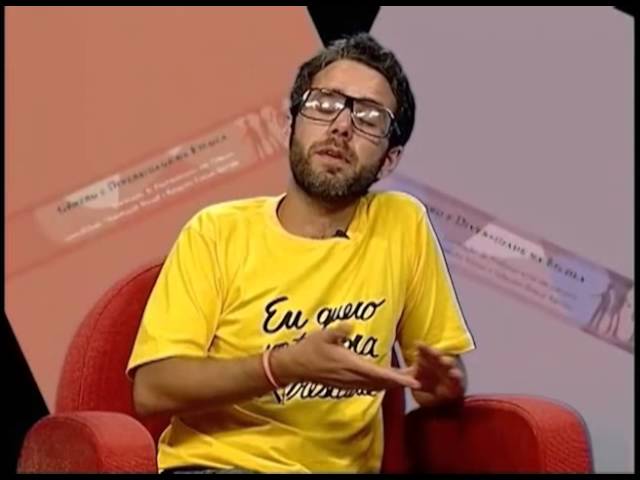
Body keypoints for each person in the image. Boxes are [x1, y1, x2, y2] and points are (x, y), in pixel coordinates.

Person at [127, 32, 476, 474]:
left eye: (369, 117)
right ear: (289, 126)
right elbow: (153, 389)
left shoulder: (401, 224)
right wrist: (284, 366)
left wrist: (443, 386)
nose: (342, 127)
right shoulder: (216, 231)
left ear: (389, 159)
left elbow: (434, 376)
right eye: (325, 104)